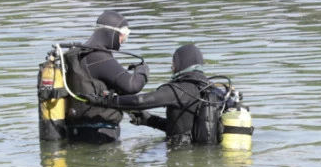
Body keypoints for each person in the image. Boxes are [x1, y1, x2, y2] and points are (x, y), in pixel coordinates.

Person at [85, 43, 232, 145]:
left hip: (180, 160)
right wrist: (150, 120)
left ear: (180, 64)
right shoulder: (216, 91)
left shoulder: (178, 89)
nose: (172, 68)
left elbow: (140, 101)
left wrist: (105, 101)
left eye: (173, 64)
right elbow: (189, 129)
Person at [64, 10, 150, 144]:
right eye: (123, 35)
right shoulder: (98, 57)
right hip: (100, 136)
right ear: (112, 33)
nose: (122, 40)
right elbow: (132, 85)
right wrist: (142, 70)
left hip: (77, 133)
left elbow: (103, 90)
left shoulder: (82, 53)